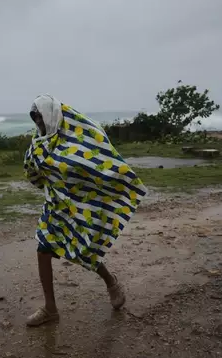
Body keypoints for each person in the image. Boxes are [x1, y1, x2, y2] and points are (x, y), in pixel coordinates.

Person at [23, 94, 148, 327]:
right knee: (43, 251)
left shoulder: (79, 140)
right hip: (54, 207)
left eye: (40, 117)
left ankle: (111, 282)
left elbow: (98, 164)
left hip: (80, 206)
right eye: (34, 118)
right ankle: (50, 309)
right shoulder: (38, 142)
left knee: (84, 250)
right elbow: (34, 171)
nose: (38, 122)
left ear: (51, 114)